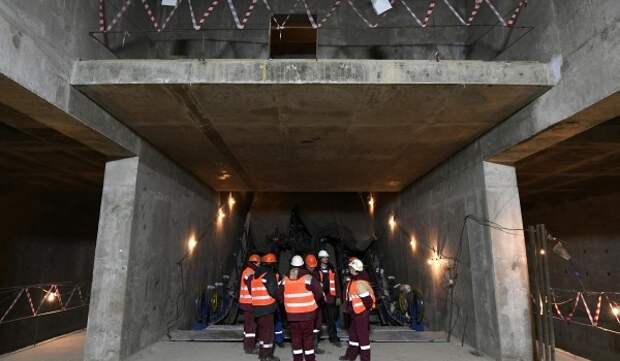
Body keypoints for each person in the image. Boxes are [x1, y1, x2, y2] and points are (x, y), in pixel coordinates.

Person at [280, 255, 324, 361]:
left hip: (292, 316)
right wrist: (312, 301)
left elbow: (279, 296)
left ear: (291, 265)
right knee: (308, 338)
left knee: (295, 339)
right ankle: (310, 359)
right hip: (307, 315)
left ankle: (297, 359)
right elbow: (319, 293)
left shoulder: (285, 279)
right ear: (303, 265)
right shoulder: (308, 278)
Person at [339, 258, 375, 361]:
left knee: (362, 337)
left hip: (361, 314)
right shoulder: (355, 279)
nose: (349, 269)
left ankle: (365, 359)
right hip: (356, 313)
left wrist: (364, 312)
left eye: (350, 268)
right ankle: (350, 356)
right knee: (353, 335)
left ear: (355, 269)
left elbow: (368, 301)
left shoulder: (359, 283)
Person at [249, 253, 281, 361]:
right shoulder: (269, 274)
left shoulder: (256, 274)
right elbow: (273, 291)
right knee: (269, 333)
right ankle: (268, 356)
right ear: (272, 264)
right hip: (267, 308)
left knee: (262, 332)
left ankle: (262, 355)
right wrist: (281, 297)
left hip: (257, 308)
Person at [317, 249, 342, 346]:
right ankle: (316, 338)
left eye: (327, 257)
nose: (326, 259)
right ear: (320, 259)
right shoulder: (316, 270)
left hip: (330, 298)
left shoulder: (332, 269)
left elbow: (337, 284)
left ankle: (333, 337)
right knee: (318, 319)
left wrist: (339, 297)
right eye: (324, 257)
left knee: (331, 319)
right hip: (319, 299)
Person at [304, 253, 325, 354]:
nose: (311, 268)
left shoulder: (317, 273)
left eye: (313, 266)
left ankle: (314, 346)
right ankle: (307, 347)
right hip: (307, 305)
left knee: (317, 326)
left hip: (317, 304)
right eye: (310, 266)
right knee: (308, 326)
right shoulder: (303, 275)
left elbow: (321, 287)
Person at [240, 254, 260, 354]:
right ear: (256, 262)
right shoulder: (251, 272)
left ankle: (247, 344)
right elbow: (252, 288)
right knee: (251, 326)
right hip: (250, 303)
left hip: (245, 302)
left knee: (248, 325)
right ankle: (249, 347)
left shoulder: (246, 270)